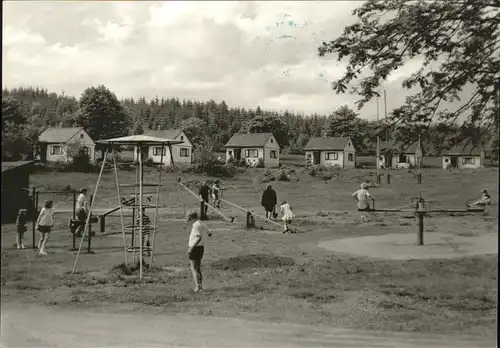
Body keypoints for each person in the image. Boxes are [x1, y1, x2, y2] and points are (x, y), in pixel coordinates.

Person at [187, 211, 211, 292]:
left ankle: (198, 287)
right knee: (198, 268)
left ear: (190, 217)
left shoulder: (195, 225)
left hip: (195, 248)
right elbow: (209, 233)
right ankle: (200, 286)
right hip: (201, 247)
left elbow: (198, 237)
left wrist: (191, 248)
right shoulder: (201, 223)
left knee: (193, 268)